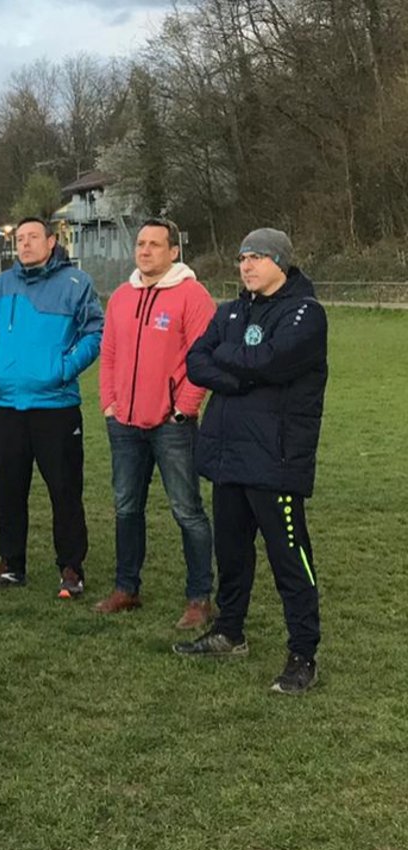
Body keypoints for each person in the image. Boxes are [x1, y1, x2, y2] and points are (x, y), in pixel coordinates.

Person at [175, 228, 327, 695]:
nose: (247, 266)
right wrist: (241, 370)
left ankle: (303, 653)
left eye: (258, 257)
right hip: (228, 455)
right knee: (232, 553)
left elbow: (274, 360)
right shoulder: (231, 311)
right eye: (242, 258)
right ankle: (230, 631)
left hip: (275, 458)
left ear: (281, 261)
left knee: (288, 558)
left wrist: (232, 365)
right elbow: (196, 360)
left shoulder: (306, 312)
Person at [94, 219, 217, 627]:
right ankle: (126, 588)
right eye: (140, 244)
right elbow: (108, 352)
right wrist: (109, 403)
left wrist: (184, 407)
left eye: (154, 245)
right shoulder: (122, 297)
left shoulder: (193, 296)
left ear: (174, 251)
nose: (145, 251)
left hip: (172, 424)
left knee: (187, 511)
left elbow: (204, 358)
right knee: (127, 508)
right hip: (125, 424)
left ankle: (200, 598)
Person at [0, 217, 104, 597]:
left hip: (55, 407)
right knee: (8, 489)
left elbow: (96, 332)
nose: (25, 244)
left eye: (33, 237)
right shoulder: (1, 285)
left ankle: (71, 568)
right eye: (20, 239)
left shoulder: (76, 284)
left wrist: (63, 369)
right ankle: (12, 565)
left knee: (64, 491)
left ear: (52, 241)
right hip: (5, 406)